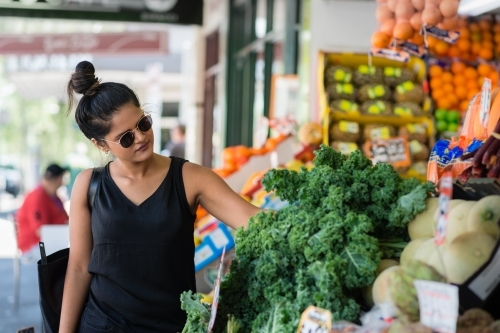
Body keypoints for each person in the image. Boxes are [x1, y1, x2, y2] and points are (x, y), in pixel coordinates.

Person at [60, 61, 262, 333]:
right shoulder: (88, 184)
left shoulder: (191, 178)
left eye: (143, 123)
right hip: (102, 326)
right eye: (126, 138)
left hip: (174, 327)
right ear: (100, 144)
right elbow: (79, 267)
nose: (142, 137)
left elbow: (255, 222)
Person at [16, 164, 69, 261]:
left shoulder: (53, 196)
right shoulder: (37, 197)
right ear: (58, 179)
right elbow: (39, 230)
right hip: (35, 245)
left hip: (51, 242)